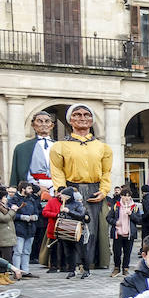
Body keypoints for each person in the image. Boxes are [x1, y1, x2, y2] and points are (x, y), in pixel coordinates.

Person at [49, 103, 113, 268]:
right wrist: (62, 190)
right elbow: (57, 171)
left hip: (95, 190)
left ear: (92, 120)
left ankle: (92, 261)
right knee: (70, 225)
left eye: (86, 115)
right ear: (70, 120)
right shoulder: (59, 146)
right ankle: (70, 263)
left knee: (94, 227)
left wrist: (104, 191)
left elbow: (106, 172)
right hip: (71, 189)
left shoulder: (103, 147)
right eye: (77, 115)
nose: (82, 118)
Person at [10, 110, 56, 190]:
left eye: (47, 121)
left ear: (51, 125)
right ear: (33, 125)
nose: (44, 124)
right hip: (33, 187)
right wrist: (35, 186)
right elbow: (19, 172)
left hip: (56, 187)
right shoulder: (22, 148)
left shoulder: (60, 146)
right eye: (40, 121)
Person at [57, 186, 93, 279]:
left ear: (68, 196)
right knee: (68, 253)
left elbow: (81, 215)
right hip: (67, 231)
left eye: (63, 195)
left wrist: (69, 211)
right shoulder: (63, 204)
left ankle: (86, 270)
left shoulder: (78, 204)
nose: (61, 197)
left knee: (82, 252)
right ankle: (71, 270)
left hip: (78, 231)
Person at [106, 186, 140, 277]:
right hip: (118, 233)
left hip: (129, 234)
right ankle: (116, 268)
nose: (126, 198)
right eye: (124, 196)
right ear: (121, 196)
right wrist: (116, 222)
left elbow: (139, 220)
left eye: (128, 196)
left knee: (127, 252)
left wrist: (131, 214)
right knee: (117, 252)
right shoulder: (116, 206)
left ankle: (125, 269)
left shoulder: (135, 207)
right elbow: (108, 218)